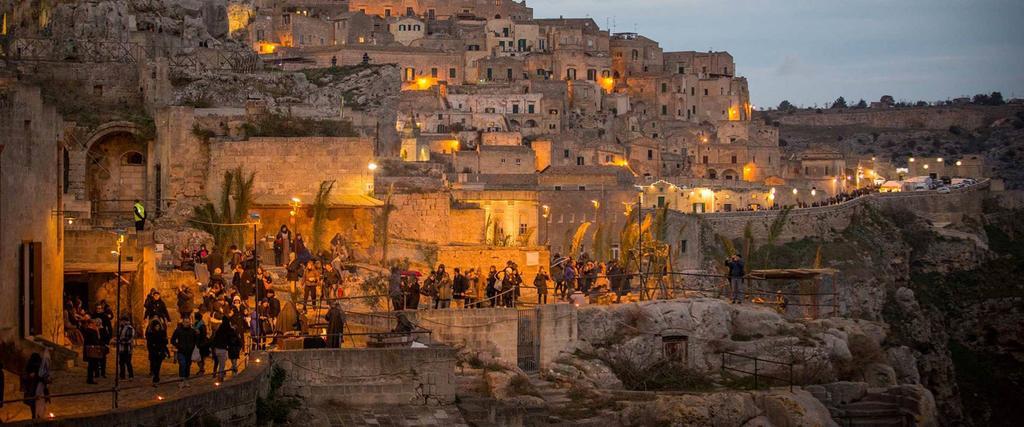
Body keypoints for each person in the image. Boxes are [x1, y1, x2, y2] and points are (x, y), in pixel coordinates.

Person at [20, 352, 49, 419]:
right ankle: (36, 417)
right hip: (33, 389)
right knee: (35, 406)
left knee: (37, 406)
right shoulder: (32, 366)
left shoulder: (35, 366)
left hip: (37, 389)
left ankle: (36, 417)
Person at [170, 318, 197, 387]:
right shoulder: (178, 330)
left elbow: (196, 339)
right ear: (183, 323)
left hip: (189, 352)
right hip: (181, 351)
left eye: (188, 322)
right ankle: (182, 380)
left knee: (188, 365)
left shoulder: (192, 331)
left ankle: (186, 380)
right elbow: (172, 340)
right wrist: (178, 346)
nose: (187, 324)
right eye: (185, 322)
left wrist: (192, 345)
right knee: (182, 364)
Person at [145, 318, 169, 385]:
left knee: (158, 365)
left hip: (160, 351)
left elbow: (166, 342)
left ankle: (156, 377)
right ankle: (155, 378)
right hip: (153, 352)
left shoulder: (162, 332)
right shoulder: (150, 334)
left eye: (158, 326)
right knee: (154, 365)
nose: (157, 328)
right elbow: (149, 344)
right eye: (156, 326)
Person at [81, 317, 104, 384]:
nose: (95, 325)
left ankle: (90, 378)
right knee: (92, 365)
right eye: (94, 323)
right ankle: (90, 379)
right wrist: (97, 332)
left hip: (89, 349)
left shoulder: (87, 330)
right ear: (91, 324)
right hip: (92, 350)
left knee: (91, 365)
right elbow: (96, 341)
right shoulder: (92, 331)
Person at [116, 315, 135, 380]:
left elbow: (129, 339)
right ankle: (122, 375)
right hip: (121, 348)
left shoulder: (130, 328)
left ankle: (131, 375)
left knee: (128, 362)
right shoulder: (121, 328)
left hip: (127, 348)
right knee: (121, 362)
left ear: (124, 321)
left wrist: (119, 341)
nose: (120, 322)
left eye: (121, 321)